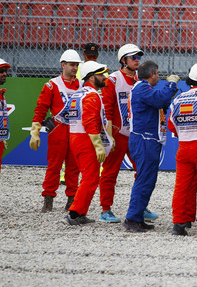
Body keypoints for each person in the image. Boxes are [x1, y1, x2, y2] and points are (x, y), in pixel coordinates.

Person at [123, 61, 179, 233]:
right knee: (144, 180)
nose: (159, 77)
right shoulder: (141, 88)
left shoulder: (142, 89)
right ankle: (132, 218)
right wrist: (172, 84)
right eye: (158, 73)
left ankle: (137, 217)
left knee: (148, 180)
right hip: (144, 140)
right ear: (152, 73)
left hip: (147, 140)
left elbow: (161, 103)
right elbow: (161, 98)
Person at [57, 61, 113, 226]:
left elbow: (63, 116)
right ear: (92, 77)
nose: (104, 78)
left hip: (75, 137)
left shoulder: (77, 93)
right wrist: (98, 145)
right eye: (101, 75)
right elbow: (89, 122)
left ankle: (81, 212)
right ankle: (74, 213)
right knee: (90, 178)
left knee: (90, 177)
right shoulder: (92, 95)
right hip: (85, 139)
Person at [29, 49, 81, 213]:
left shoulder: (81, 84)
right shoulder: (52, 85)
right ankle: (48, 199)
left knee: (74, 168)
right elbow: (41, 109)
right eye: (72, 65)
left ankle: (72, 199)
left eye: (77, 65)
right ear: (63, 65)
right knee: (54, 166)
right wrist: (35, 131)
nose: (75, 68)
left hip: (75, 129)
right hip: (58, 129)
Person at [98, 44, 145, 224]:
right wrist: (109, 135)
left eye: (138, 57)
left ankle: (140, 206)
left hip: (136, 134)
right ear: (123, 60)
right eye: (133, 57)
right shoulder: (113, 80)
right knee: (110, 172)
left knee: (142, 171)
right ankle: (105, 209)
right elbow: (107, 109)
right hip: (118, 134)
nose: (137, 60)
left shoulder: (141, 79)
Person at [168, 63, 197, 236]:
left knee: (182, 187)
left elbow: (171, 125)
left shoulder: (178, 98)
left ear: (189, 79)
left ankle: (179, 224)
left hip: (183, 147)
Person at [0, 59, 8, 176]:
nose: (5, 74)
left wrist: (2, 137)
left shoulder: (1, 94)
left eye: (5, 71)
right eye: (1, 71)